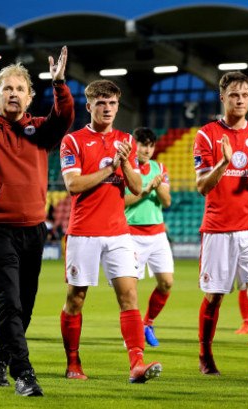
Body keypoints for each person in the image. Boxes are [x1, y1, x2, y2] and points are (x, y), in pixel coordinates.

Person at [0, 38, 74, 397]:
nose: (14, 93)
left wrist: (59, 85)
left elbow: (64, 117)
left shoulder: (40, 131)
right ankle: (24, 373)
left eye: (21, 88)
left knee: (25, 307)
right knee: (9, 302)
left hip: (34, 228)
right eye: (7, 88)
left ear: (29, 97)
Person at [59, 80, 162, 384]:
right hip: (83, 232)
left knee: (129, 295)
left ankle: (137, 364)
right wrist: (110, 169)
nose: (107, 109)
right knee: (76, 298)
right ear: (88, 106)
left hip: (118, 233)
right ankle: (73, 362)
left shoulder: (125, 139)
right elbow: (73, 185)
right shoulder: (73, 141)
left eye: (112, 103)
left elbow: (136, 187)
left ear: (118, 105)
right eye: (101, 103)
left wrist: (126, 162)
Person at [193, 72, 248, 381]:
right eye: (233, 95)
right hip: (218, 229)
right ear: (223, 97)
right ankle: (205, 353)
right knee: (215, 296)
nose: (240, 100)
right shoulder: (206, 135)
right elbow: (202, 186)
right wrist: (224, 163)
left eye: (244, 95)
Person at [123, 127, 173, 348]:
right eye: (143, 144)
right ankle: (133, 332)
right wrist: (146, 189)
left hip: (157, 234)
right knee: (129, 289)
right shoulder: (126, 168)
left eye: (150, 145)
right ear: (135, 145)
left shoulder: (159, 168)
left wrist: (158, 186)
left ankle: (147, 323)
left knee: (166, 282)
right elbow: (122, 201)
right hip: (132, 234)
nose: (147, 149)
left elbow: (167, 202)